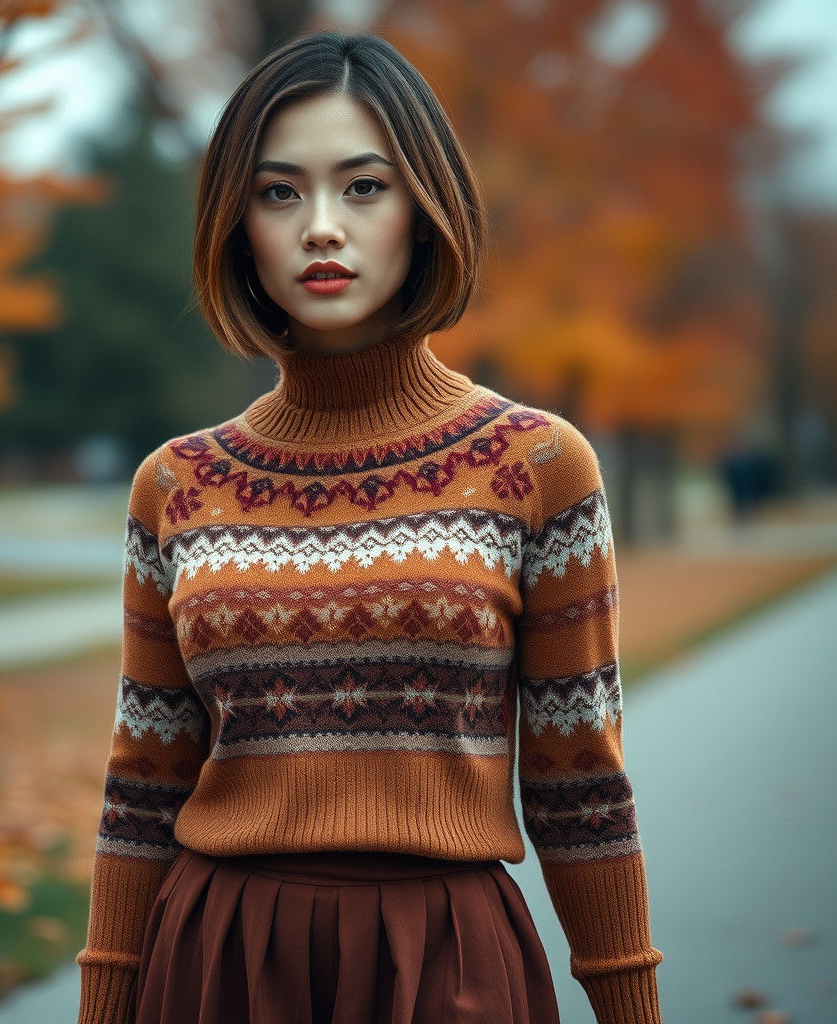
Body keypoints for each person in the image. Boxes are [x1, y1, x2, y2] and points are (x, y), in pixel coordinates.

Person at [75, 30, 664, 1024]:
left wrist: (632, 1010)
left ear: (423, 209)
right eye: (277, 192)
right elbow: (145, 778)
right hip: (217, 963)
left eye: (362, 187)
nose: (319, 228)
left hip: (448, 964)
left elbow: (580, 783)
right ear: (236, 225)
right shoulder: (173, 483)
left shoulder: (536, 465)